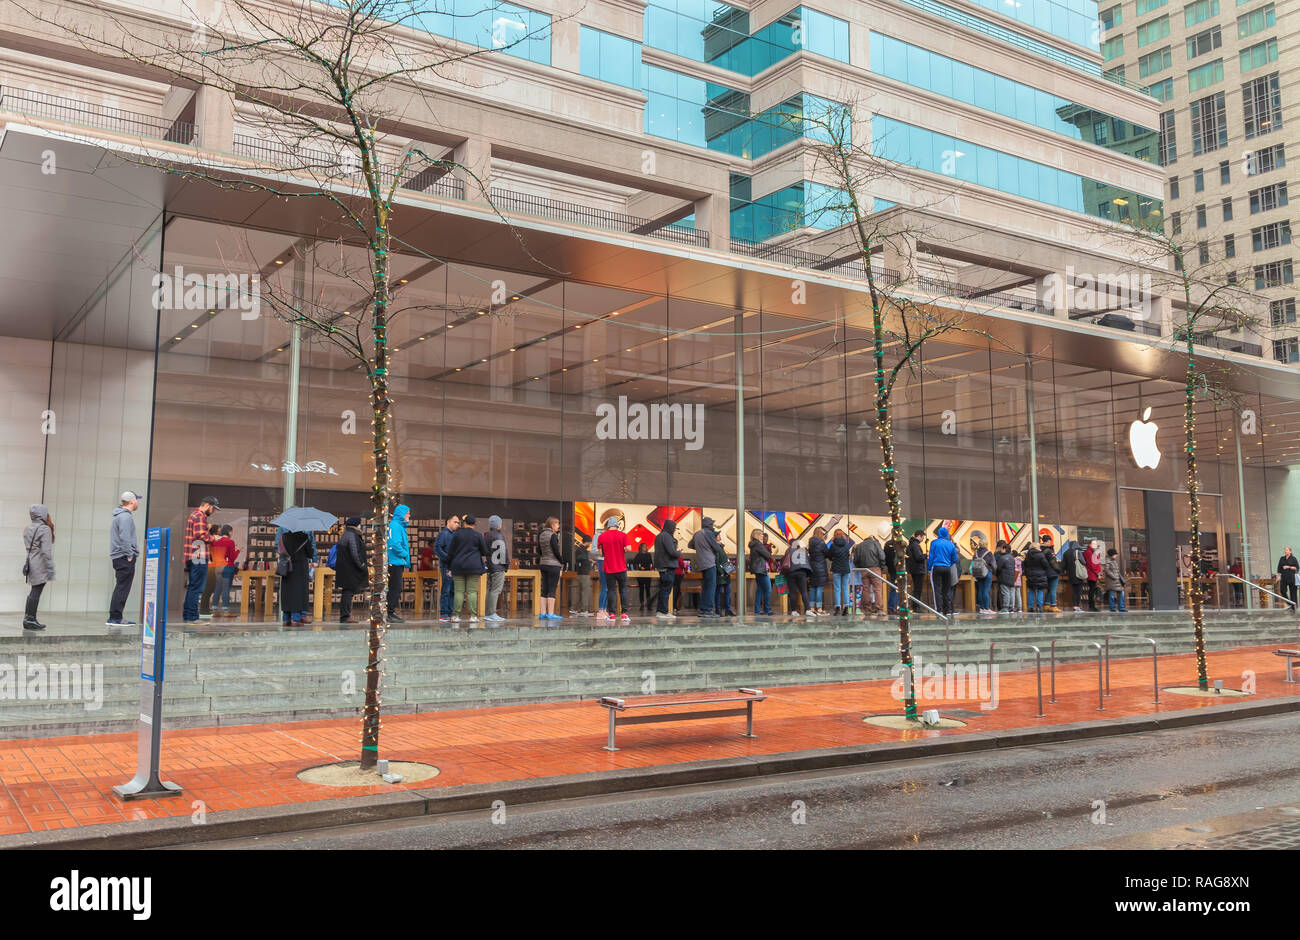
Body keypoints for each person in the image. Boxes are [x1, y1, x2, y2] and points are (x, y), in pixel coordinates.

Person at [107, 491, 141, 629]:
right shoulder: (125, 517)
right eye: (137, 500)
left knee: (120, 586)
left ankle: (115, 616)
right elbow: (125, 537)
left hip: (119, 556)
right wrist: (130, 554)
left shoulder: (119, 516)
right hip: (124, 557)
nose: (138, 502)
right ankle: (115, 617)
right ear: (132, 501)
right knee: (122, 587)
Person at [183, 496, 219, 624]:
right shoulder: (200, 516)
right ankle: (193, 617)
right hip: (198, 556)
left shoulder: (194, 515)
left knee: (192, 586)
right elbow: (201, 536)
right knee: (197, 587)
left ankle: (188, 615)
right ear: (208, 505)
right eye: (213, 508)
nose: (213, 511)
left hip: (192, 555)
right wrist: (214, 538)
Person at [448, 513, 489, 624]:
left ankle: (456, 616)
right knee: (472, 592)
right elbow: (485, 551)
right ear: (474, 524)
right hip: (474, 566)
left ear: (464, 523)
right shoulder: (478, 535)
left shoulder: (457, 535)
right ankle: (473, 616)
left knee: (458, 592)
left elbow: (450, 552)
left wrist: (449, 567)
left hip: (458, 566)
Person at [22, 504, 54, 630]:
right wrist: (50, 567)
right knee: (36, 591)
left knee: (33, 591)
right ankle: (30, 619)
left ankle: (29, 618)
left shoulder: (28, 528)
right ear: (42, 514)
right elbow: (46, 551)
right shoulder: (44, 529)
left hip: (30, 562)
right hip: (40, 563)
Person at [334, 516, 368, 624]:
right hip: (349, 569)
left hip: (346, 568)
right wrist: (361, 565)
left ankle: (345, 615)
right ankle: (345, 616)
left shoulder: (347, 533)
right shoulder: (352, 535)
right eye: (359, 524)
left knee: (347, 592)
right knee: (348, 592)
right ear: (356, 525)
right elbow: (355, 552)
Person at [597, 517, 630, 623]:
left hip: (609, 568)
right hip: (621, 567)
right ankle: (624, 614)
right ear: (617, 525)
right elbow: (628, 548)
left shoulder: (602, 536)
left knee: (611, 590)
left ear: (608, 525)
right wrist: (622, 550)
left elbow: (601, 553)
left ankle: (612, 615)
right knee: (623, 590)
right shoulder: (623, 535)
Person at [278, 529, 314, 625]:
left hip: (287, 568)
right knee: (298, 593)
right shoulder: (304, 537)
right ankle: (296, 619)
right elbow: (310, 553)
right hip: (299, 569)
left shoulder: (283, 537)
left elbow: (280, 551)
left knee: (287, 593)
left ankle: (286, 619)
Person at [692, 518, 722, 618]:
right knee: (711, 587)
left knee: (705, 587)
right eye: (712, 524)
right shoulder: (708, 533)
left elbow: (690, 544)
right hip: (709, 563)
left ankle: (703, 610)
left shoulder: (697, 534)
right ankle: (708, 610)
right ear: (709, 525)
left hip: (701, 563)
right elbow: (717, 548)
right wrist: (713, 545)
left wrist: (701, 547)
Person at [387, 503, 412, 623]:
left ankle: (389, 612)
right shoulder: (396, 526)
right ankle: (389, 613)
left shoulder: (398, 526)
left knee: (394, 588)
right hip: (395, 562)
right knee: (395, 588)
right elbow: (395, 544)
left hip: (396, 561)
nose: (409, 515)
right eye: (408, 513)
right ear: (401, 514)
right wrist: (405, 554)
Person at [432, 514, 459, 623]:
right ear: (448, 522)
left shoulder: (456, 535)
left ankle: (451, 613)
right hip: (447, 566)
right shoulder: (443, 534)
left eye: (458, 523)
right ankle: (444, 614)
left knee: (453, 590)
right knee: (446, 589)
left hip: (455, 566)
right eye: (455, 522)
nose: (456, 524)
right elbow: (437, 548)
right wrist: (447, 558)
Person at [926, 526, 958, 616]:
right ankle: (947, 610)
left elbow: (931, 557)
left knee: (937, 589)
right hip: (947, 569)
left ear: (939, 534)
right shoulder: (951, 544)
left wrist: (929, 568)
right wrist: (948, 563)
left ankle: (939, 610)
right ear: (947, 534)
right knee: (947, 589)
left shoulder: (934, 543)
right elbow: (954, 559)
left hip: (936, 568)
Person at [538, 516, 565, 621]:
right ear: (552, 525)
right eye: (557, 524)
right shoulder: (553, 536)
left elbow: (539, 551)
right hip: (553, 564)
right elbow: (556, 551)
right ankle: (550, 613)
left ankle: (542, 613)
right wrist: (562, 561)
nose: (558, 526)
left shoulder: (541, 535)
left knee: (544, 589)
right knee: (552, 589)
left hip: (543, 564)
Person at [211, 524, 240, 619]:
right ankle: (225, 610)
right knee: (226, 588)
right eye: (231, 531)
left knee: (217, 588)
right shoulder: (230, 542)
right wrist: (238, 551)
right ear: (229, 532)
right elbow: (232, 558)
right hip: (227, 567)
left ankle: (214, 609)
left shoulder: (215, 542)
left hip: (217, 567)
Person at [653, 519, 681, 619]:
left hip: (662, 566)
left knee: (664, 589)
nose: (674, 530)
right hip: (667, 566)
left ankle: (662, 611)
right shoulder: (667, 536)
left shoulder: (659, 536)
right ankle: (662, 612)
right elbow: (672, 552)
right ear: (671, 527)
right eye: (673, 528)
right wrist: (679, 553)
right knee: (666, 590)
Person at [852, 531, 886, 614]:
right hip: (875, 568)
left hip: (864, 570)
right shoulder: (875, 544)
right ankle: (879, 610)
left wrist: (860, 567)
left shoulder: (859, 546)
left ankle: (867, 610)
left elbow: (855, 560)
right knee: (877, 589)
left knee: (865, 589)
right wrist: (882, 567)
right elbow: (882, 556)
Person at [484, 515, 509, 622]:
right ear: (498, 525)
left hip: (490, 566)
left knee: (490, 590)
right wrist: (506, 565)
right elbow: (503, 553)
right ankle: (492, 613)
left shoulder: (487, 536)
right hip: (498, 567)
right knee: (495, 591)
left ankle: (488, 613)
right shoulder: (498, 536)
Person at [827, 529, 853, 616]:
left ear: (835, 535)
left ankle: (837, 607)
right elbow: (848, 556)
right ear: (843, 535)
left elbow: (830, 557)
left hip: (836, 569)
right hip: (846, 569)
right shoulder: (847, 545)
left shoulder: (833, 546)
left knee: (837, 589)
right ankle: (846, 606)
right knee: (845, 588)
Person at [786, 539, 811, 616]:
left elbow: (784, 562)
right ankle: (807, 610)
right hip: (801, 573)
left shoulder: (788, 552)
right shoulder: (802, 551)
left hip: (791, 573)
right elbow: (807, 562)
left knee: (792, 592)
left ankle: (793, 611)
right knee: (804, 591)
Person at [1022, 541, 1050, 613]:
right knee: (1040, 590)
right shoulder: (1041, 555)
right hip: (1040, 575)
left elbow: (1024, 565)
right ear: (1037, 547)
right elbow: (1046, 565)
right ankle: (1039, 607)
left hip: (1030, 575)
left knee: (1031, 590)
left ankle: (1030, 607)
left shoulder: (1027, 555)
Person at [749, 532, 773, 615]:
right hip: (761, 569)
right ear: (757, 535)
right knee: (768, 589)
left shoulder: (753, 545)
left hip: (757, 569)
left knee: (759, 590)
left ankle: (757, 609)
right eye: (761, 534)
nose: (763, 536)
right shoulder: (758, 544)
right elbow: (768, 555)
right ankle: (767, 609)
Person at [807, 526, 829, 616]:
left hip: (812, 567)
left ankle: (812, 608)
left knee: (812, 588)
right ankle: (819, 609)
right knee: (819, 588)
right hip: (820, 568)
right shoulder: (822, 543)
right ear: (821, 534)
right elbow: (827, 553)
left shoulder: (810, 542)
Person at [199, 524, 221, 614]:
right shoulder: (215, 538)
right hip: (212, 566)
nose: (220, 530)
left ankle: (204, 610)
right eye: (219, 529)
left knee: (208, 589)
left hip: (208, 564)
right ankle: (204, 611)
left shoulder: (208, 539)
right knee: (209, 589)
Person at [970, 536, 995, 614]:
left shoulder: (976, 553)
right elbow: (994, 565)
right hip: (987, 573)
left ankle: (981, 608)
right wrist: (993, 571)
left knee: (980, 590)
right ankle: (987, 608)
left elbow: (973, 562)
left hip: (978, 573)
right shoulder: (989, 553)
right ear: (986, 544)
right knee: (986, 591)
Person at [713, 535, 736, 617]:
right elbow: (717, 561)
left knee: (727, 592)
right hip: (722, 573)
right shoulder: (716, 547)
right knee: (718, 592)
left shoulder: (721, 546)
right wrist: (720, 571)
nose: (719, 536)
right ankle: (718, 610)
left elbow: (724, 559)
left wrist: (729, 570)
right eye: (718, 535)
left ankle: (728, 610)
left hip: (726, 572)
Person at [1062, 539, 1087, 612]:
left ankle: (1075, 605)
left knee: (1074, 590)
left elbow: (1063, 565)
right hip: (1078, 574)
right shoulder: (1077, 552)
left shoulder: (1066, 553)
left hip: (1071, 575)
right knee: (1078, 591)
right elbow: (1084, 562)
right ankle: (1077, 606)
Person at [905, 530, 927, 608]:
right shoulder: (915, 545)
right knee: (918, 589)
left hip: (914, 569)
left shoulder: (911, 544)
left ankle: (915, 606)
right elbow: (918, 557)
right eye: (923, 537)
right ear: (919, 536)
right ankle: (916, 607)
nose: (923, 539)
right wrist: (926, 555)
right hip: (918, 570)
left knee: (916, 589)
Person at [1040, 534, 1062, 613]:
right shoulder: (1049, 551)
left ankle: (1047, 604)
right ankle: (1053, 605)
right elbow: (1053, 562)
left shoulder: (1041, 550)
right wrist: (1059, 570)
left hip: (1046, 573)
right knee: (1053, 590)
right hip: (1053, 573)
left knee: (1049, 589)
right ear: (1049, 541)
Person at [573, 534, 594, 616]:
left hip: (580, 572)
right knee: (585, 591)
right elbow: (581, 558)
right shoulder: (582, 550)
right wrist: (589, 561)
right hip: (584, 572)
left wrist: (588, 560)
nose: (590, 544)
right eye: (590, 543)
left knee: (580, 591)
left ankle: (577, 608)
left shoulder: (579, 549)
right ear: (588, 542)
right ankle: (584, 609)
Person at [1104, 547, 1128, 612]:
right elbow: (1107, 570)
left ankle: (1122, 608)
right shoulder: (1107, 560)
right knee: (1112, 595)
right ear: (1112, 554)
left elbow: (1116, 571)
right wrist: (1114, 576)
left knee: (1121, 593)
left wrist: (1118, 578)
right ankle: (1112, 608)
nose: (1116, 555)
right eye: (1115, 554)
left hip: (1117, 581)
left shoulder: (1113, 561)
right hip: (1111, 581)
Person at [994, 540, 1016, 613]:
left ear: (1004, 549)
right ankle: (1011, 607)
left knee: (1005, 593)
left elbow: (998, 568)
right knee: (1011, 592)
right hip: (1012, 578)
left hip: (1004, 578)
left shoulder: (1002, 558)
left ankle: (1005, 607)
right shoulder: (1012, 558)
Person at [633, 541, 654, 611]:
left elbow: (651, 563)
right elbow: (635, 564)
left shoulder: (649, 555)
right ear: (641, 548)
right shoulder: (638, 555)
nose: (645, 548)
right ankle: (642, 605)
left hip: (647, 574)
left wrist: (651, 569)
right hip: (640, 575)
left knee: (648, 590)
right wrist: (639, 568)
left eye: (646, 546)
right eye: (643, 547)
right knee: (641, 590)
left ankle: (649, 605)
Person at [883, 534, 900, 614]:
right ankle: (896, 607)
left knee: (893, 588)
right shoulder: (900, 543)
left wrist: (889, 566)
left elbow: (885, 557)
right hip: (899, 569)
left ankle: (891, 607)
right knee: (898, 588)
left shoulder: (887, 544)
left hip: (891, 569)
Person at [1084, 539, 1103, 611]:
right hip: (1091, 574)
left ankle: (1092, 605)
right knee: (1092, 590)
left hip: (1094, 574)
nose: (1095, 545)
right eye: (1093, 544)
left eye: (1096, 544)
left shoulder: (1093, 552)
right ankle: (1091, 606)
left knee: (1092, 590)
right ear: (1089, 545)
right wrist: (1098, 573)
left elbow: (1097, 563)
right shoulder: (1088, 552)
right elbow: (1092, 564)